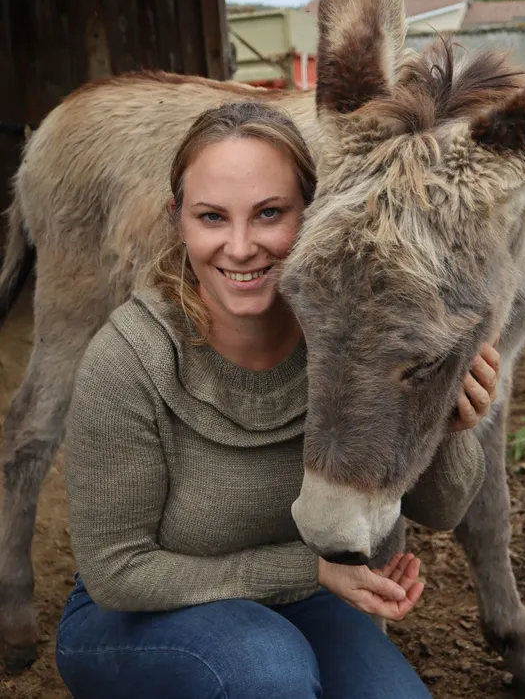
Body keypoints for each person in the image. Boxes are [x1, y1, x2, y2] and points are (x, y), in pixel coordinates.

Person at [56, 101, 500, 699]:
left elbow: (441, 511)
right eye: (212, 217)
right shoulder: (130, 360)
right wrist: (311, 570)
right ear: (178, 221)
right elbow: (117, 572)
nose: (241, 248)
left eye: (269, 213)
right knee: (267, 670)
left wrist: (446, 421)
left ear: (314, 213)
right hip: (137, 614)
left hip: (304, 603)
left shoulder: (348, 336)